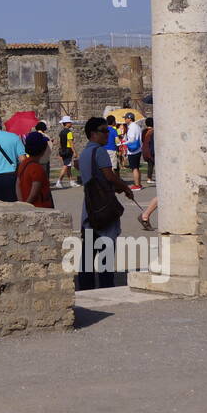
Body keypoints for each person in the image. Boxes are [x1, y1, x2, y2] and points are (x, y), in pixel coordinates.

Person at [77, 116, 134, 289]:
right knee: (106, 249)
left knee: (88, 251)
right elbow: (108, 175)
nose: (107, 134)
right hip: (103, 206)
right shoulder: (100, 152)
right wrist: (125, 187)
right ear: (93, 134)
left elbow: (98, 178)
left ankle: (86, 287)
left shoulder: (85, 153)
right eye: (104, 131)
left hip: (90, 205)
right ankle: (106, 285)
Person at [17, 134, 54, 208]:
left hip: (25, 203)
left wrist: (21, 203)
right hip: (39, 206)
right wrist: (27, 204)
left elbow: (17, 184)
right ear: (42, 150)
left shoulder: (24, 163)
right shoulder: (37, 168)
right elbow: (34, 191)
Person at [123, 111, 144, 190]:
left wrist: (124, 142)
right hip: (138, 149)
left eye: (125, 118)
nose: (125, 119)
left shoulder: (132, 127)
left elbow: (132, 139)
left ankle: (137, 185)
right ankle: (139, 183)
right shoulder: (137, 126)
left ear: (129, 119)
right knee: (137, 167)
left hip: (133, 150)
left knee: (134, 168)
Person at [54, 115, 76, 189]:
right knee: (66, 166)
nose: (71, 123)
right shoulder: (69, 132)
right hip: (68, 150)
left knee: (68, 166)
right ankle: (59, 181)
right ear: (67, 123)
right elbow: (71, 143)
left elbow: (60, 142)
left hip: (63, 150)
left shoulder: (61, 132)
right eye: (70, 122)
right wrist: (75, 152)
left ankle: (71, 181)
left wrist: (59, 151)